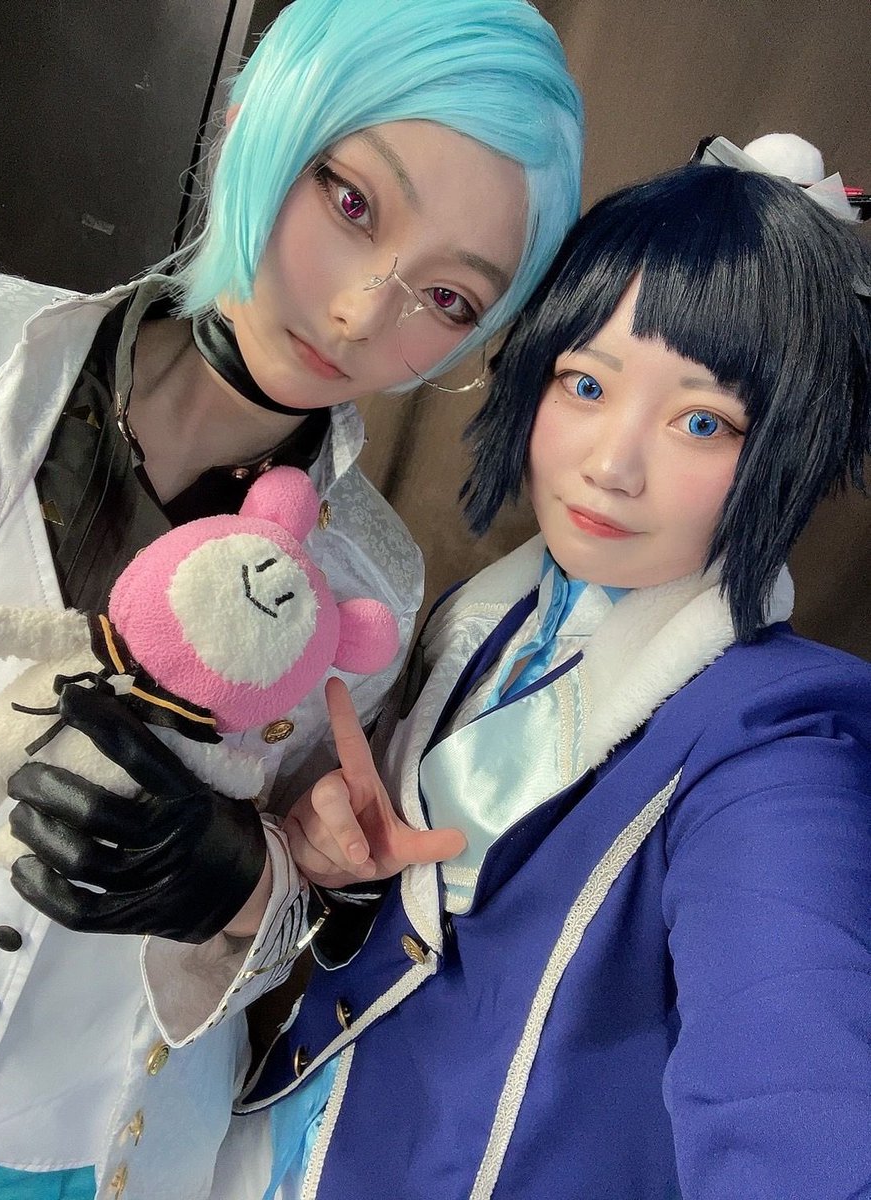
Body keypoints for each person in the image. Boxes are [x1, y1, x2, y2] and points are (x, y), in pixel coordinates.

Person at [167, 151, 867, 1197]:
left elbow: (801, 1111)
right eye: (586, 384)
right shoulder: (486, 619)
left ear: (790, 452)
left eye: (702, 421)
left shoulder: (779, 748)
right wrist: (344, 871)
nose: (611, 465)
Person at [0, 1, 583, 1196]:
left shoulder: (373, 588)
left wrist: (244, 884)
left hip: (76, 1148)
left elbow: (294, 916)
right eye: (351, 201)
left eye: (450, 299)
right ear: (257, 118)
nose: (360, 314)